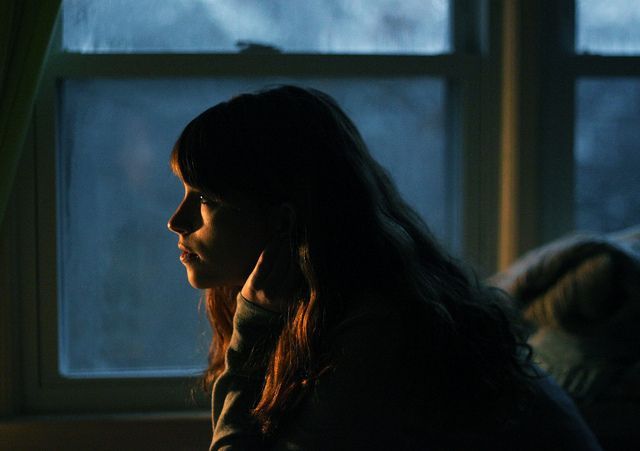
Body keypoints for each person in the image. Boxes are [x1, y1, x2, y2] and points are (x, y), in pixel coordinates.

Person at [167, 85, 601, 450]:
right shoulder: (314, 308)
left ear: (284, 221)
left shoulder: (377, 331)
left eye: (206, 199)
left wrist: (250, 338)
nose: (177, 221)